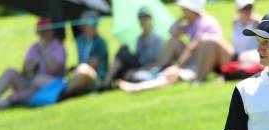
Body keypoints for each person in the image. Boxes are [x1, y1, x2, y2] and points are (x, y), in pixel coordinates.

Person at [118, 0, 256, 92]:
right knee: (174, 41)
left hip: (213, 61)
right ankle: (155, 71)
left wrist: (178, 66)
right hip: (200, 59)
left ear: (192, 9)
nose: (182, 11)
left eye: (185, 9)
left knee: (176, 73)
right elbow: (172, 32)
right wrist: (181, 19)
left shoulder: (205, 22)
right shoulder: (192, 22)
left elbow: (194, 47)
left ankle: (141, 86)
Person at [0, 18, 66, 113]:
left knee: (15, 97)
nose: (41, 34)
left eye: (44, 31)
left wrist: (44, 53)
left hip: (44, 88)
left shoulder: (58, 48)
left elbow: (53, 70)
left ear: (52, 32)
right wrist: (31, 65)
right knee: (9, 72)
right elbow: (25, 71)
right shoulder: (34, 47)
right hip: (29, 83)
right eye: (39, 31)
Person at [101, 6, 164, 89]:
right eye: (140, 18)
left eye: (145, 18)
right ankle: (107, 81)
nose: (143, 21)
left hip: (151, 70)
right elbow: (139, 57)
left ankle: (107, 83)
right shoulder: (139, 39)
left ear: (150, 19)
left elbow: (158, 62)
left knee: (128, 71)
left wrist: (141, 70)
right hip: (141, 66)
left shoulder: (157, 39)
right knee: (122, 51)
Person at [62, 10, 109, 98]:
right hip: (81, 75)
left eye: (96, 22)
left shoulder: (100, 42)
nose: (95, 25)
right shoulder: (80, 41)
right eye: (92, 22)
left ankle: (63, 94)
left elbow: (93, 65)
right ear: (83, 25)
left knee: (83, 68)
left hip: (97, 79)